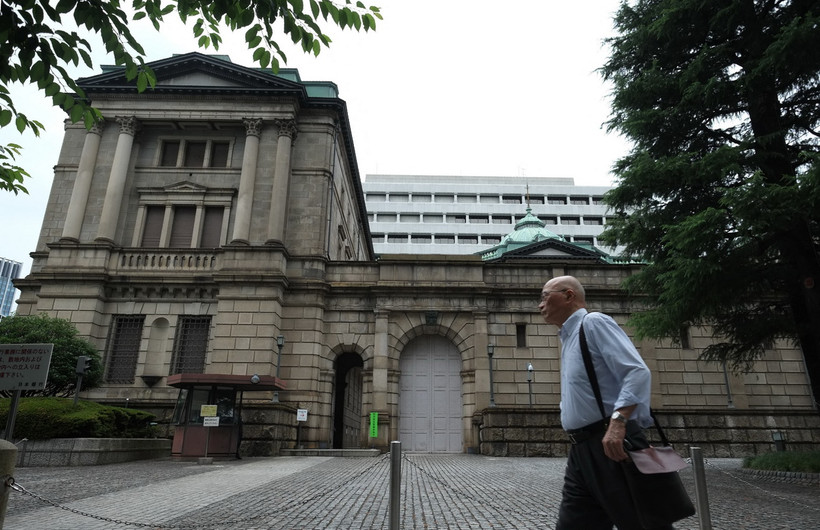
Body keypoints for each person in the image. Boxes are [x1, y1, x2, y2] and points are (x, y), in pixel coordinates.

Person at [539, 275, 670, 530]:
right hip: (581, 451)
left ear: (568, 296)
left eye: (545, 296)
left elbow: (636, 371)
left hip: (609, 445)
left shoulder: (593, 323)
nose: (540, 304)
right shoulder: (568, 337)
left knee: (642, 523)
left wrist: (620, 423)